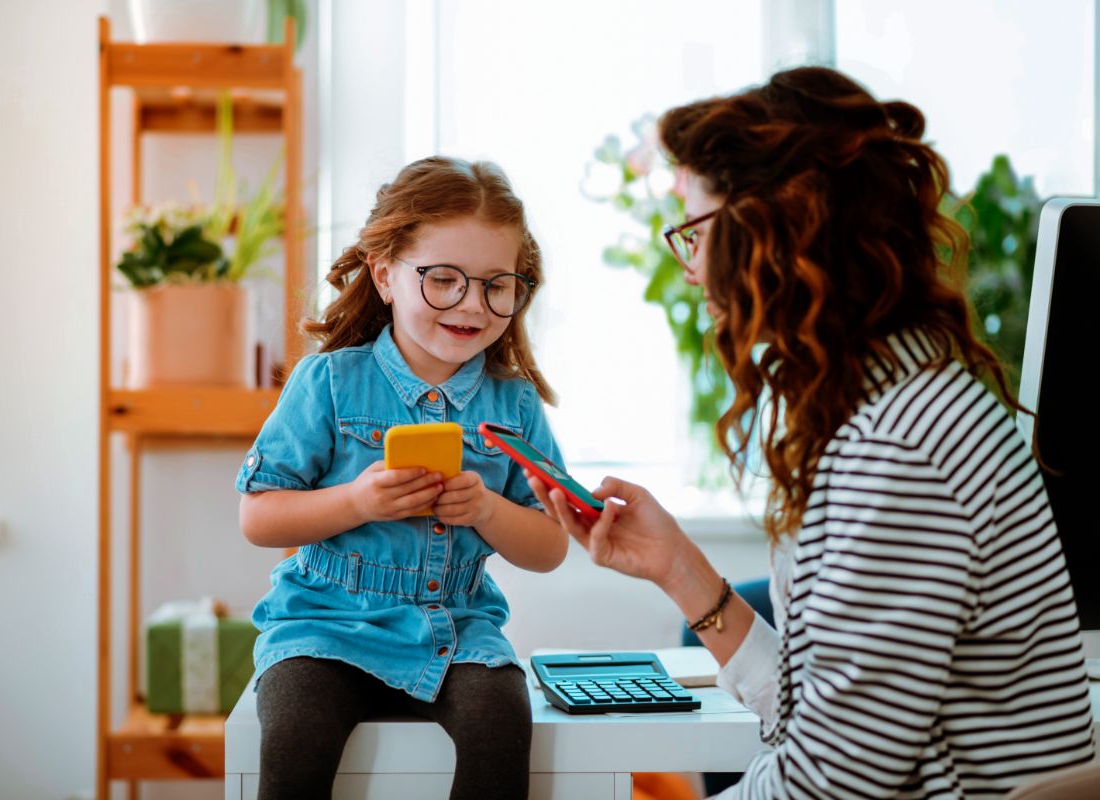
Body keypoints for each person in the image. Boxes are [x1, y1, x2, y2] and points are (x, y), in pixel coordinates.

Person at [529, 67, 1096, 798]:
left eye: (694, 234)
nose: (691, 270)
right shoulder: (880, 409)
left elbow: (832, 785)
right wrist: (677, 568)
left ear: (779, 229)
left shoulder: (899, 447)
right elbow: (817, 728)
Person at [236, 156, 567, 799]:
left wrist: (490, 513)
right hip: (324, 626)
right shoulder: (329, 382)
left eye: (497, 284)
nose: (472, 303)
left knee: (501, 720)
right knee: (296, 736)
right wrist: (357, 500)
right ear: (386, 276)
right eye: (444, 280)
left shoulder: (515, 403)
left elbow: (550, 546)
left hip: (458, 628)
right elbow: (259, 517)